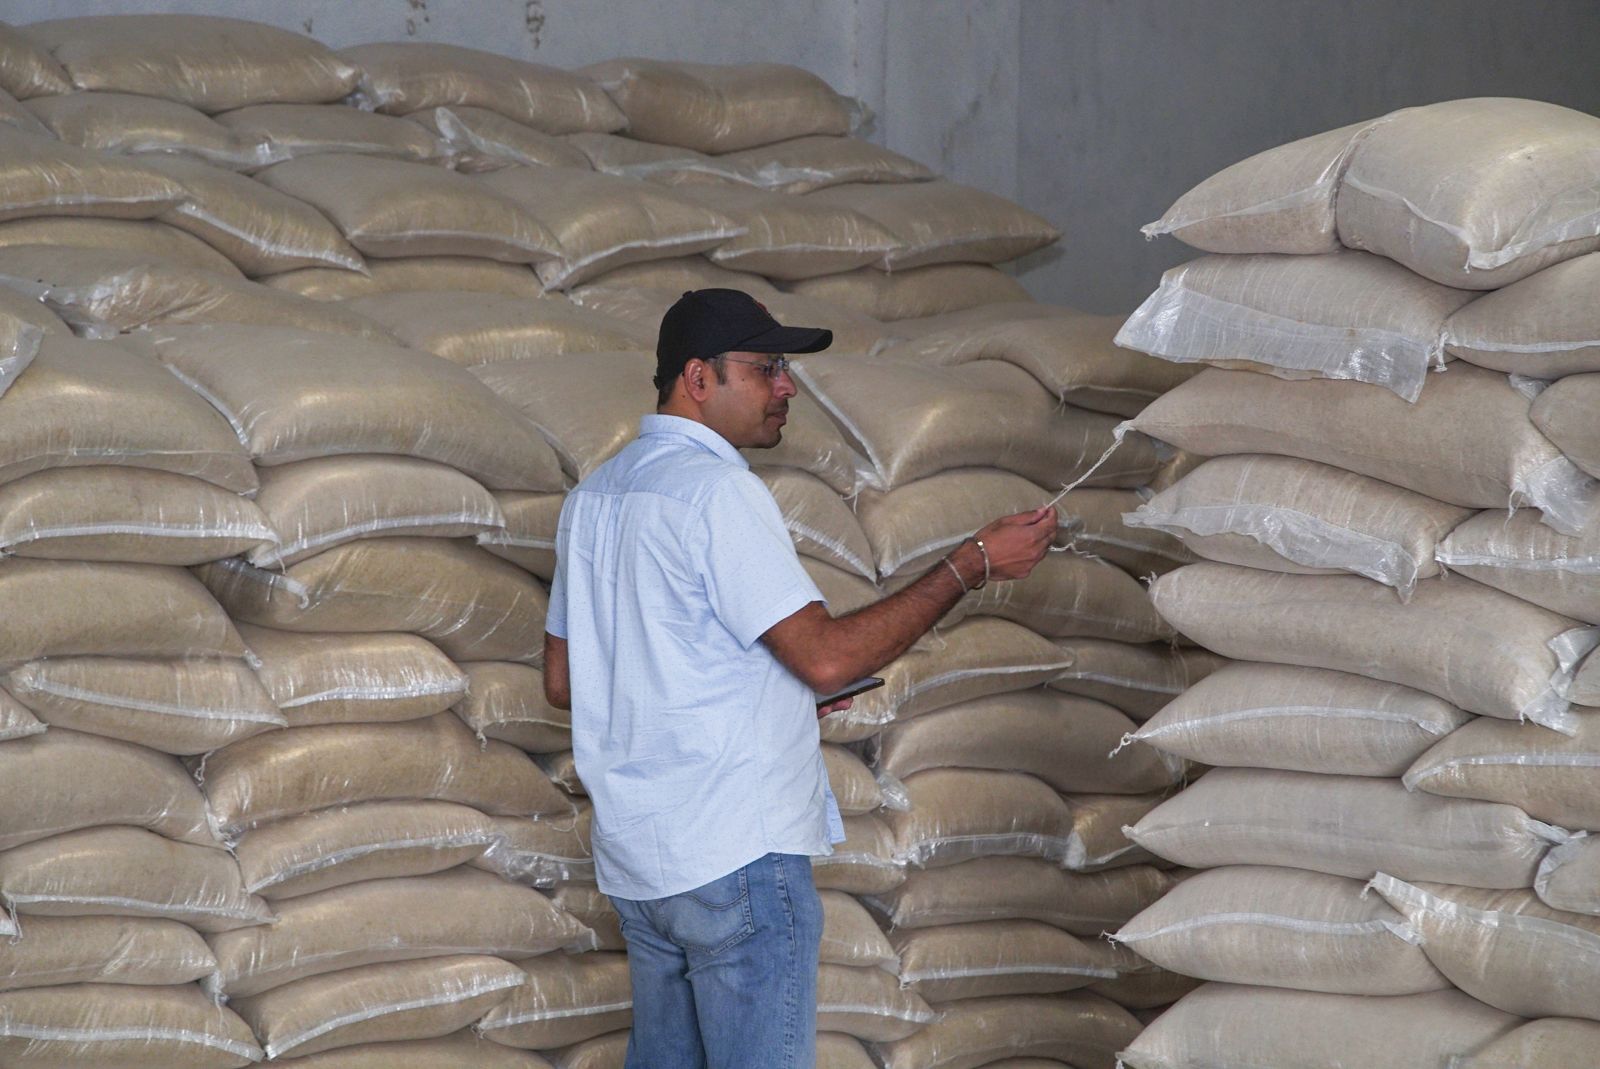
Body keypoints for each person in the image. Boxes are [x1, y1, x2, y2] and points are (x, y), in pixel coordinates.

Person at [542, 288, 1057, 1069]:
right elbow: (824, 657)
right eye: (766, 367)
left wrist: (756, 696)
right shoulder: (718, 491)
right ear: (699, 377)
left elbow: (566, 677)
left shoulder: (594, 497)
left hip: (641, 864)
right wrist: (970, 563)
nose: (787, 386)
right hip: (734, 855)